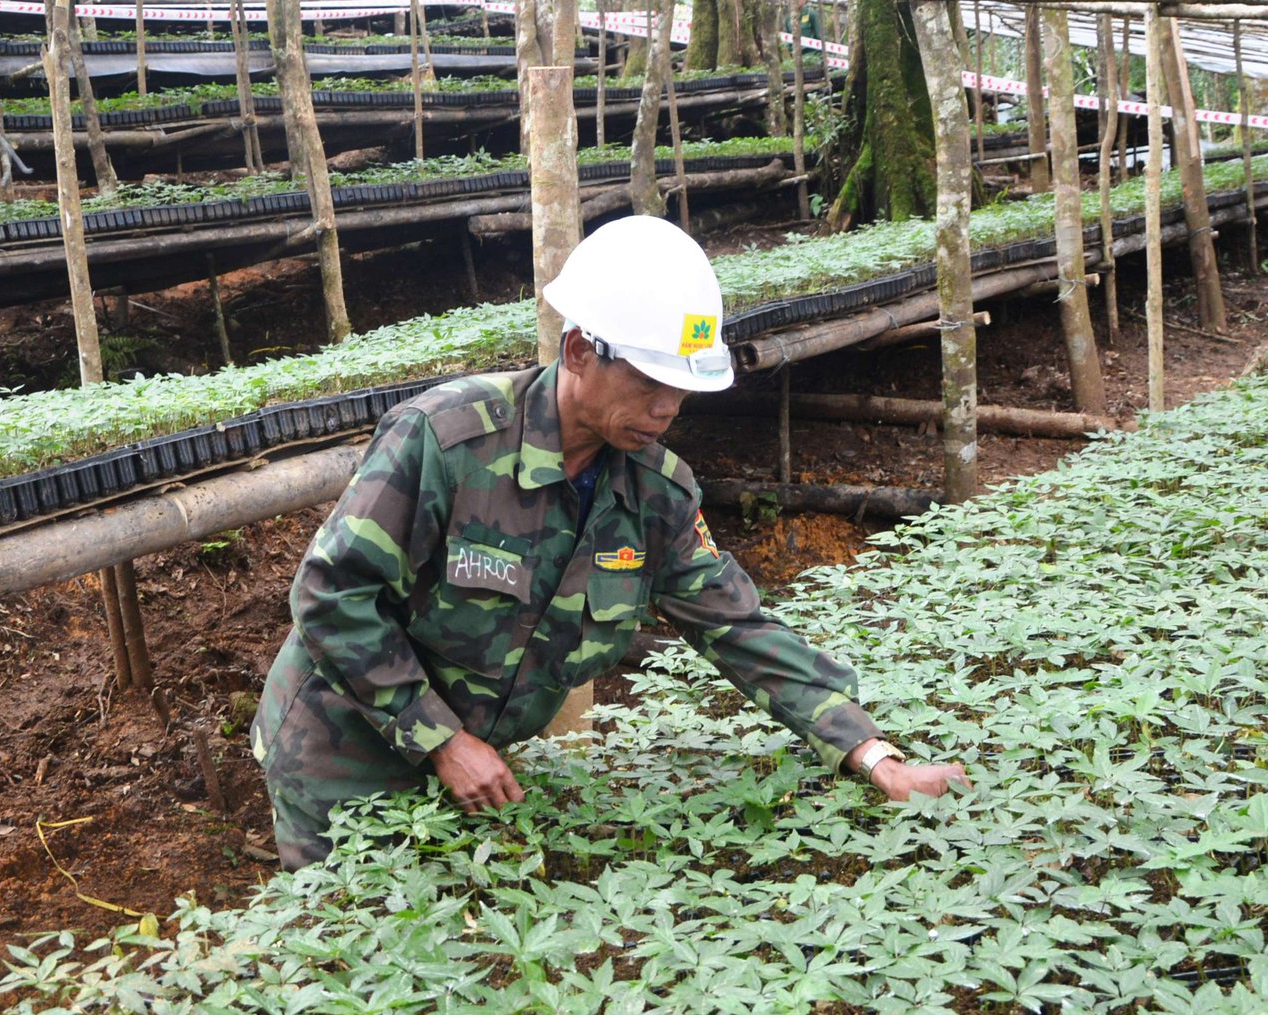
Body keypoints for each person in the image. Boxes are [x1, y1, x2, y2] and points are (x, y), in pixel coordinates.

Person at [251, 216, 967, 870]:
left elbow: (739, 626)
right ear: (578, 351)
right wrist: (439, 738)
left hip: (475, 771)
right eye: (650, 381)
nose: (667, 408)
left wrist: (872, 754)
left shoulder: (657, 494)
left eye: (682, 390)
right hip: (340, 755)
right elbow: (330, 593)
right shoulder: (445, 440)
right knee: (351, 952)